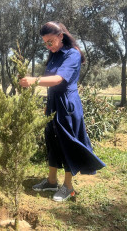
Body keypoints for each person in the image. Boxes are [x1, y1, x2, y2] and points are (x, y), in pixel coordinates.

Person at [19, 21, 105, 202]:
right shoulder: (54, 54)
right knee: (51, 140)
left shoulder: (72, 54)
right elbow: (51, 81)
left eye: (50, 41)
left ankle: (68, 186)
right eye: (45, 43)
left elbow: (58, 79)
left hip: (67, 105)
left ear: (60, 36)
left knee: (67, 143)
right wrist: (48, 104)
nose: (48, 46)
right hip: (53, 103)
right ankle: (51, 181)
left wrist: (33, 80)